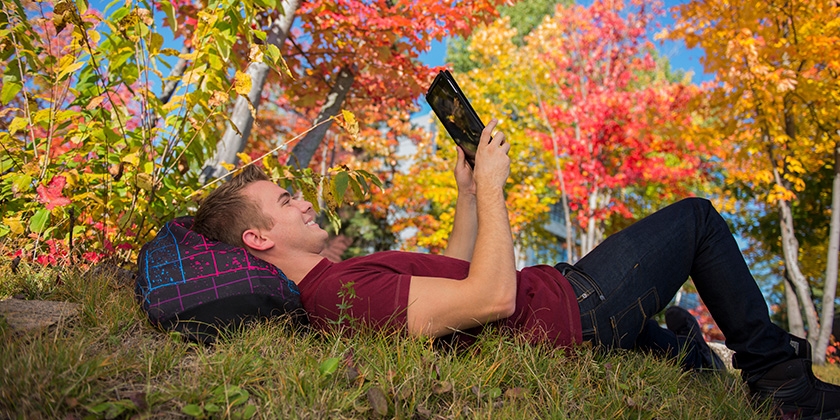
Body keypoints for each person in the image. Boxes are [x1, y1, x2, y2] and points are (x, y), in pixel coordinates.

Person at [193, 119, 840, 419]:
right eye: (286, 201)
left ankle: (684, 350)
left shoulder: (337, 283)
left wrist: (467, 194)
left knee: (662, 326)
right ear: (258, 238)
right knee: (696, 219)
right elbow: (492, 298)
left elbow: (454, 271)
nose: (303, 201)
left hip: (558, 295)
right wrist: (495, 190)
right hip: (570, 310)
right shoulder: (339, 295)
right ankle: (780, 382)